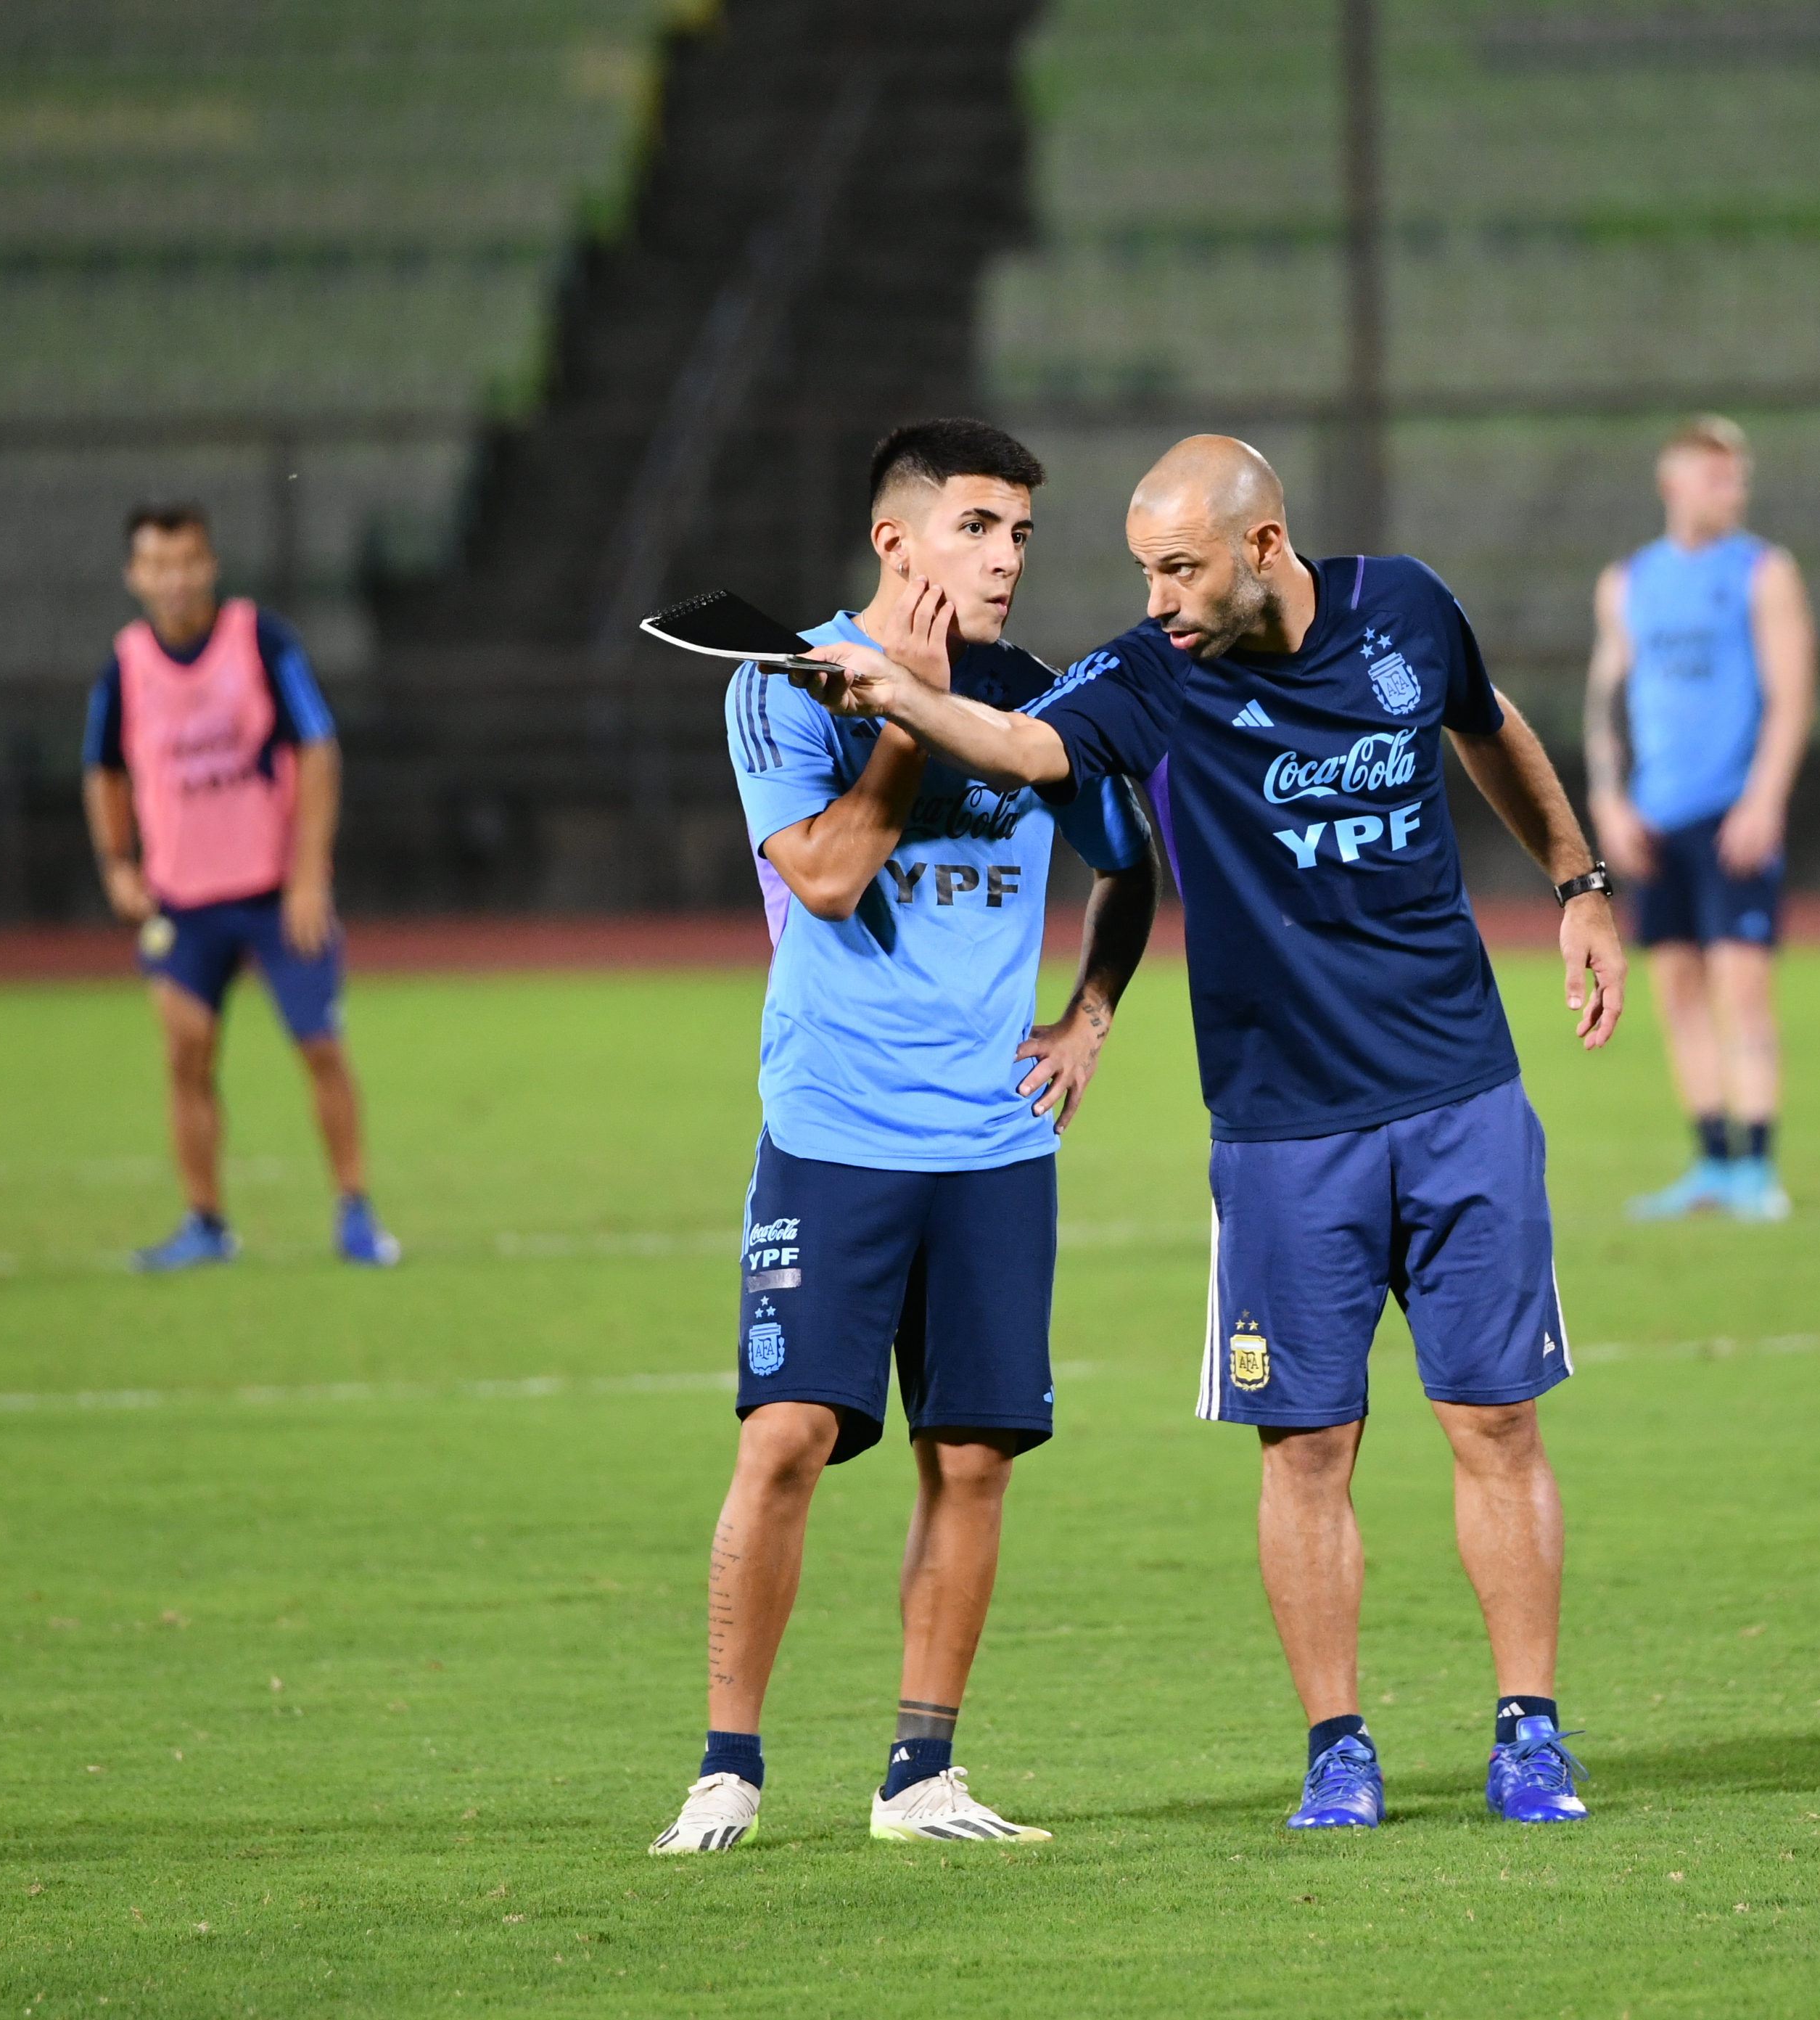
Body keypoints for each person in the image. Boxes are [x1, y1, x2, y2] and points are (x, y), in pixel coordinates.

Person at [799, 435, 1628, 1834]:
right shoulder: (1155, 671)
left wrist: (1578, 880)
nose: (1158, 597)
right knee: (1304, 1445)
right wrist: (902, 695)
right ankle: (1337, 1747)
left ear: (1263, 547)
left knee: (1496, 1419)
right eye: (1144, 569)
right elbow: (1029, 744)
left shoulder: (1407, 607)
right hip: (1281, 1129)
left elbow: (1487, 723)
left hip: (1460, 1094)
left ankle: (1529, 1732)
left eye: (1180, 568)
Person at [648, 419, 1158, 1855]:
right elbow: (822, 876)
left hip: (995, 1139)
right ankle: (727, 1770)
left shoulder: (1040, 700)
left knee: (975, 1459)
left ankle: (919, 1775)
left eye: (1021, 535)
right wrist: (903, 717)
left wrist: (1090, 1015)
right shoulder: (783, 684)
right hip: (835, 1129)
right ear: (897, 539)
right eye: (978, 528)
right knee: (787, 1439)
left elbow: (1131, 861)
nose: (1006, 559)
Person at [81, 503, 400, 1271]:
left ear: (212, 565)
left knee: (320, 1046)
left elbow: (318, 750)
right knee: (185, 1054)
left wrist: (307, 875)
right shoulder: (125, 667)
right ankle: (205, 1222)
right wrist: (118, 864)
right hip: (183, 904)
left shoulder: (259, 641)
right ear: (134, 575)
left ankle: (355, 1211)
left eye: (188, 561)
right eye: (158, 565)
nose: (176, 579)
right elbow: (103, 771)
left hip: (274, 895)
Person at [1583, 414, 1816, 1223]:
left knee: (1742, 988)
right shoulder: (1628, 582)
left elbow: (1791, 697)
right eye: (1716, 475)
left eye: (1738, 475)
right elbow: (1608, 698)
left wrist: (1764, 799)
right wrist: (1609, 799)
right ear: (1672, 482)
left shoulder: (1763, 573)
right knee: (1677, 991)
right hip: (1657, 819)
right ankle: (1711, 1160)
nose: (1732, 490)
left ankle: (1758, 1167)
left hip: (1730, 813)